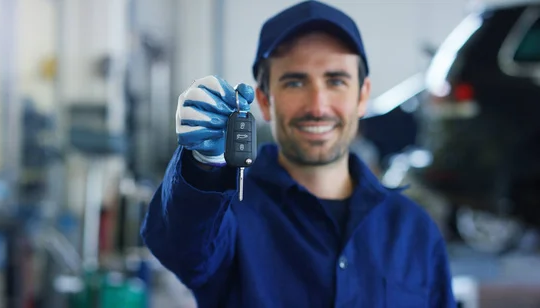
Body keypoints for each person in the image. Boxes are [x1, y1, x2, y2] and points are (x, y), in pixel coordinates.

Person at [141, 1, 457, 307]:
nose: (318, 106)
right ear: (264, 100)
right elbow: (181, 249)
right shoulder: (229, 212)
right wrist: (205, 164)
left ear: (362, 96)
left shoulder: (413, 229)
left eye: (336, 81)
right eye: (295, 82)